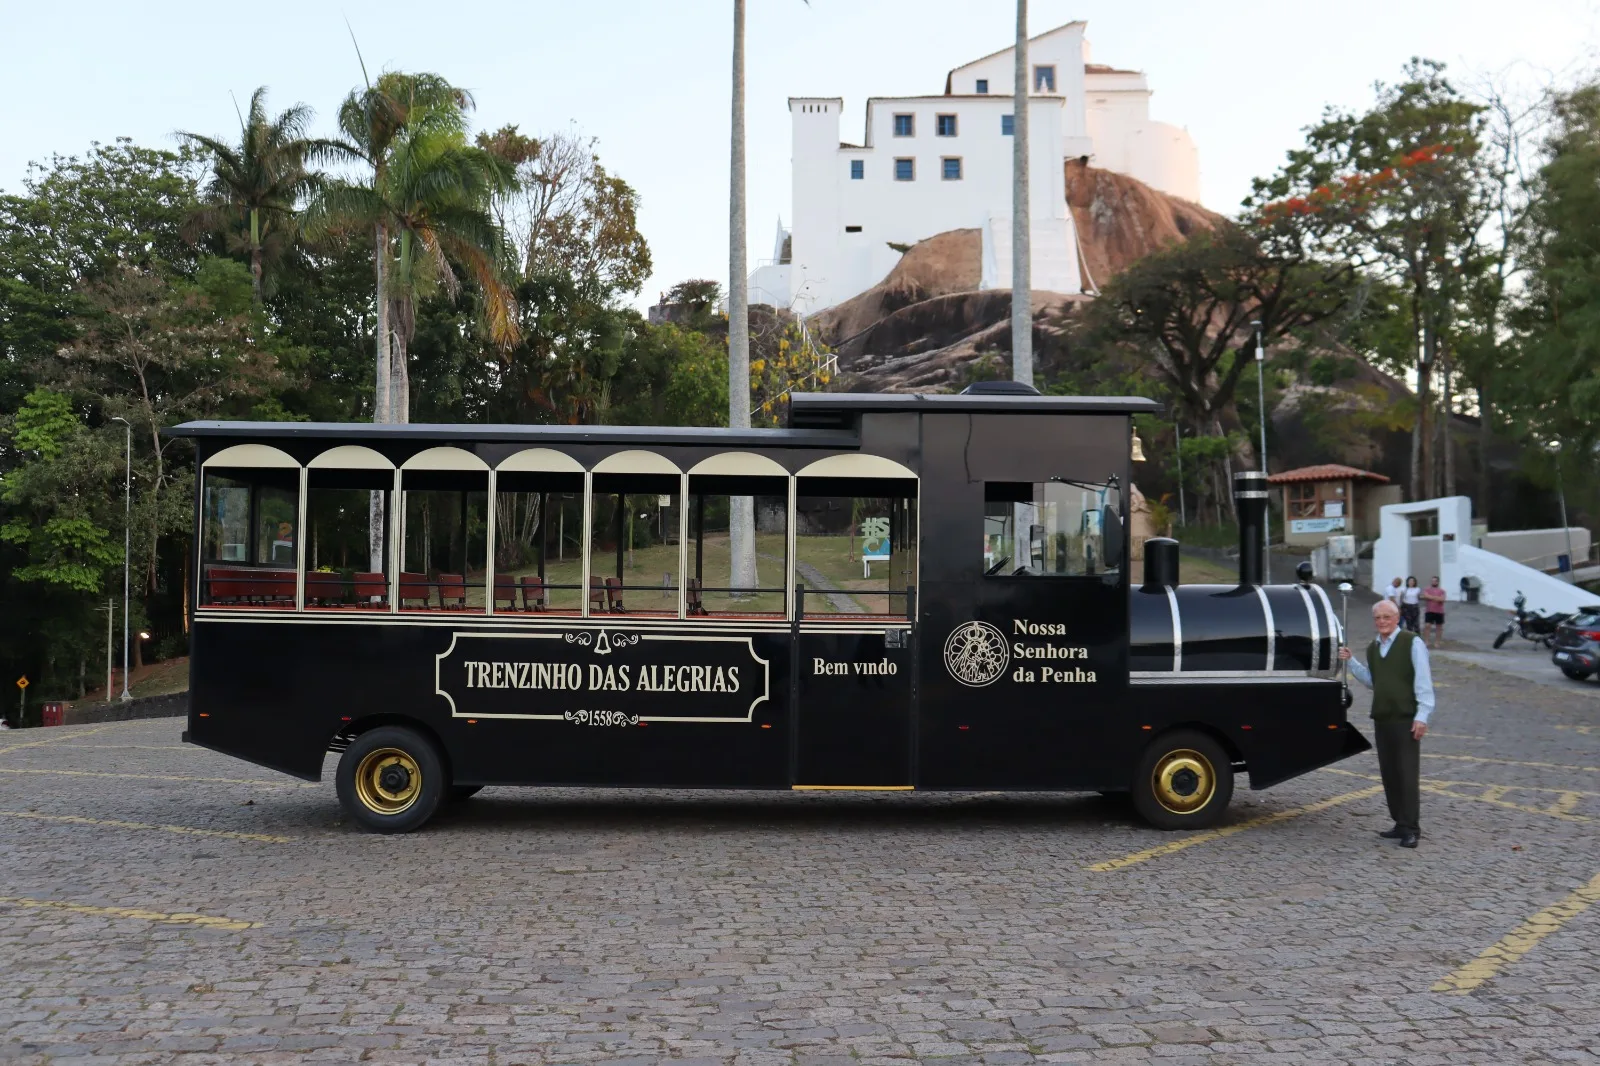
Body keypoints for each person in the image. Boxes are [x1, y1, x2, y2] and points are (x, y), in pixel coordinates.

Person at [1340, 599, 1435, 848]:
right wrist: (1351, 661)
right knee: (1390, 773)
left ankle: (1412, 827)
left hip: (1405, 718)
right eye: (1378, 618)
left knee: (1406, 773)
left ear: (1397, 617)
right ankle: (1399, 823)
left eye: (1387, 617)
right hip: (1383, 717)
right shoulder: (1374, 647)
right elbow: (1374, 681)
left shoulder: (1411, 643)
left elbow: (1423, 681)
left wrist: (1422, 715)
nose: (1382, 622)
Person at [1421, 576, 1447, 646]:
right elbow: (1426, 596)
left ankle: (1437, 642)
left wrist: (1431, 597)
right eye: (1432, 581)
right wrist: (1436, 598)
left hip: (1439, 611)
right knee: (1427, 626)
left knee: (1439, 627)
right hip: (1429, 610)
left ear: (1438, 582)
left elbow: (1442, 599)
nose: (1434, 582)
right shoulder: (1427, 589)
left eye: (1435, 581)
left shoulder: (1442, 591)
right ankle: (1426, 641)